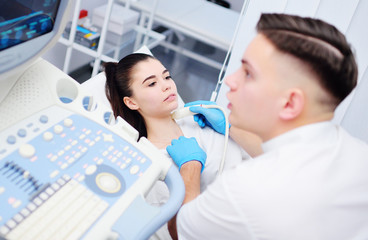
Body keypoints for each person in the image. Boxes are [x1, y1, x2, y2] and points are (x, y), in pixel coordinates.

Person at [166, 13, 368, 239]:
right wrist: (231, 128)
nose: (230, 80)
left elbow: (179, 230)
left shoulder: (245, 190)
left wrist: (190, 167)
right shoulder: (359, 156)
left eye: (248, 73)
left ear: (290, 103)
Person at [103, 53, 250, 239]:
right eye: (152, 83)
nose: (166, 85)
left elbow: (265, 154)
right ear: (131, 102)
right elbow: (181, 233)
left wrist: (230, 128)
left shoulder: (201, 123)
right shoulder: (151, 165)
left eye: (166, 76)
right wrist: (190, 168)